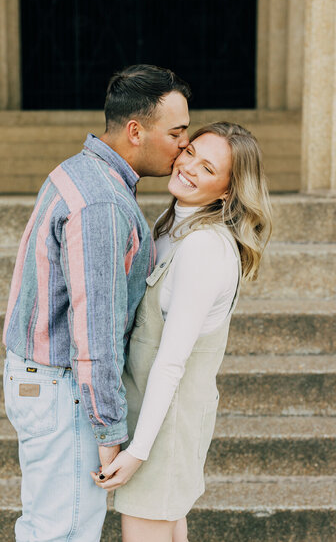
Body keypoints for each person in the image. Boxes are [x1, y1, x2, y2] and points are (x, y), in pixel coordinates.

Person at [2, 64, 191, 542]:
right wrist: (109, 429)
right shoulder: (102, 203)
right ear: (135, 131)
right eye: (176, 133)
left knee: (51, 529)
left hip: (45, 381)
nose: (184, 147)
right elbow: (96, 329)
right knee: (62, 534)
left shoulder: (79, 172)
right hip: (64, 388)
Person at [92, 122, 273, 542]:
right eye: (190, 151)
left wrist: (138, 452)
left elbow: (172, 360)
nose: (188, 166)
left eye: (208, 168)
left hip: (163, 429)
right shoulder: (171, 223)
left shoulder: (204, 248)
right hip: (153, 420)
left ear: (228, 190)